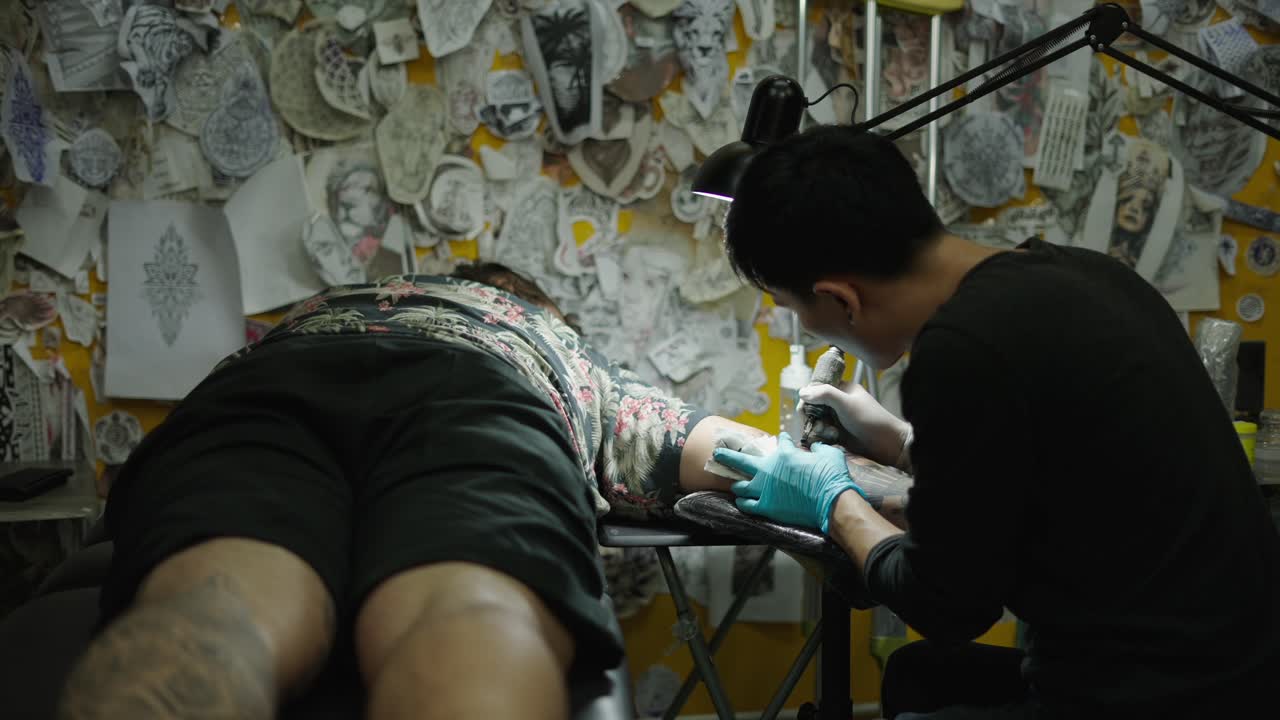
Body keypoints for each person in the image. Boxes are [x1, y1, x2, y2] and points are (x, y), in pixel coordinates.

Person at [712, 125, 1280, 719]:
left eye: (795, 308)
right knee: (916, 676)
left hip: (1159, 695)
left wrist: (832, 501)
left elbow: (948, 607)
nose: (805, 324)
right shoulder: (1087, 275)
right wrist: (903, 442)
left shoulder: (962, 346)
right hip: (1237, 672)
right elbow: (1055, 467)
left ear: (840, 299)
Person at [57, 262, 765, 720]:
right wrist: (848, 478)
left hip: (274, 386)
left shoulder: (319, 308)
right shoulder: (543, 336)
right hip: (478, 391)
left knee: (213, 608)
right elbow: (715, 449)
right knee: (467, 613)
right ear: (536, 308)